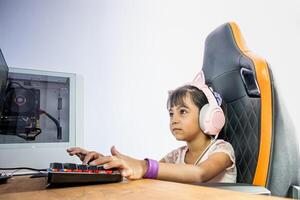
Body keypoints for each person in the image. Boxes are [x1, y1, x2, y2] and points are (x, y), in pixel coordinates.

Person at [67, 71, 237, 183]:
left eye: (183, 111)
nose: (174, 120)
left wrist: (144, 166)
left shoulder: (222, 150)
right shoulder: (176, 156)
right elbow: (146, 173)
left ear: (207, 116)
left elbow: (200, 174)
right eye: (171, 114)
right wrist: (107, 163)